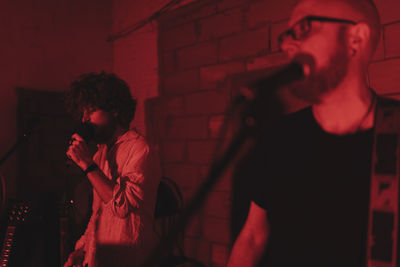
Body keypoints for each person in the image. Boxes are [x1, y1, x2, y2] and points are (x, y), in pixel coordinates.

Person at [227, 0, 382, 266]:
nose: (288, 46)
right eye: (286, 36)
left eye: (304, 28)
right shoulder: (278, 139)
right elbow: (253, 237)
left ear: (356, 39)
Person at [63, 72, 160, 267]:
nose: (84, 119)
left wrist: (87, 165)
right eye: (82, 113)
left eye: (90, 111)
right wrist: (81, 251)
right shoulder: (101, 153)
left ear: (114, 109)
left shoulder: (140, 148)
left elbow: (121, 207)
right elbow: (97, 214)